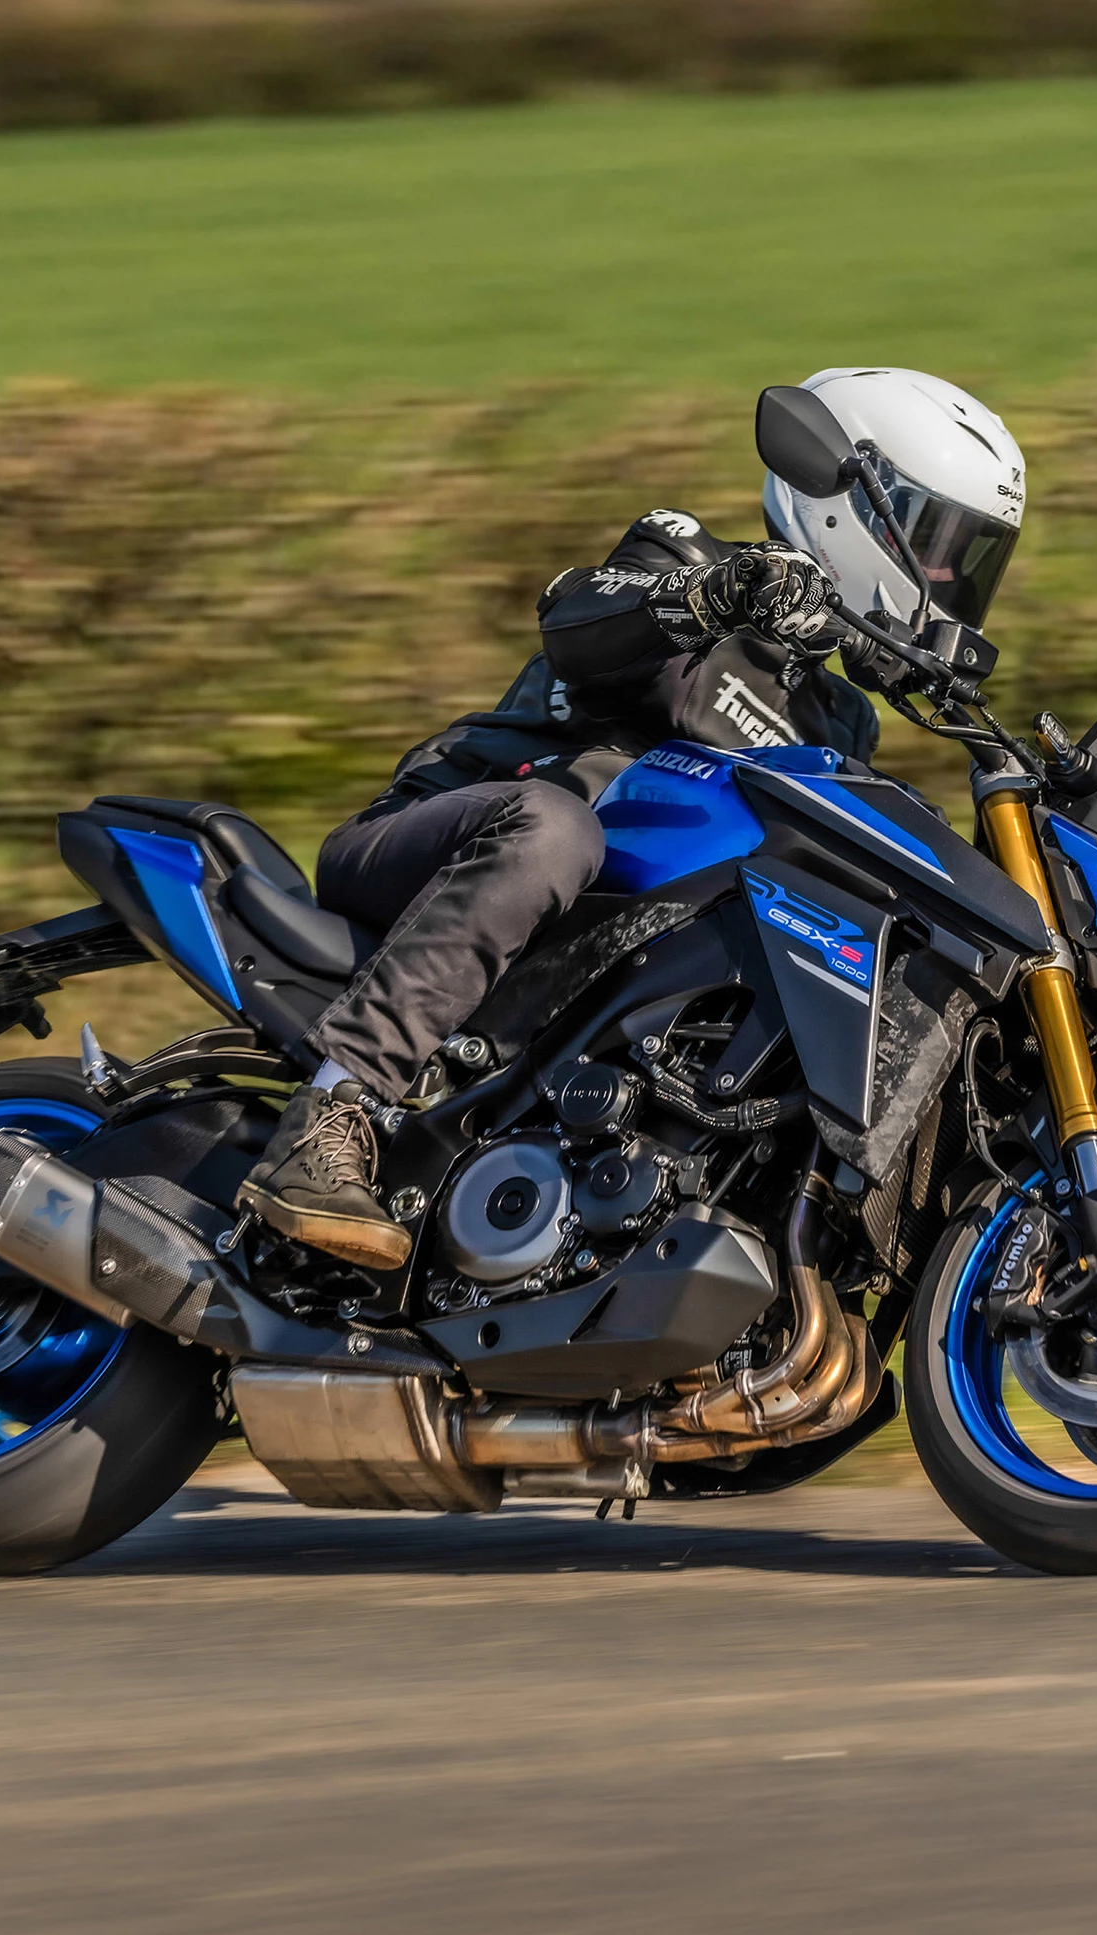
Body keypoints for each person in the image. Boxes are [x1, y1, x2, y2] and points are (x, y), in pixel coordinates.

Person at [237, 368, 1029, 1268]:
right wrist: (712, 598)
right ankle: (330, 1112)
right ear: (852, 505)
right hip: (441, 847)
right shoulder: (688, 562)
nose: (945, 577)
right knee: (557, 828)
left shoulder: (842, 722)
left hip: (590, 950)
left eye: (969, 558)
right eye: (937, 544)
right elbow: (577, 627)